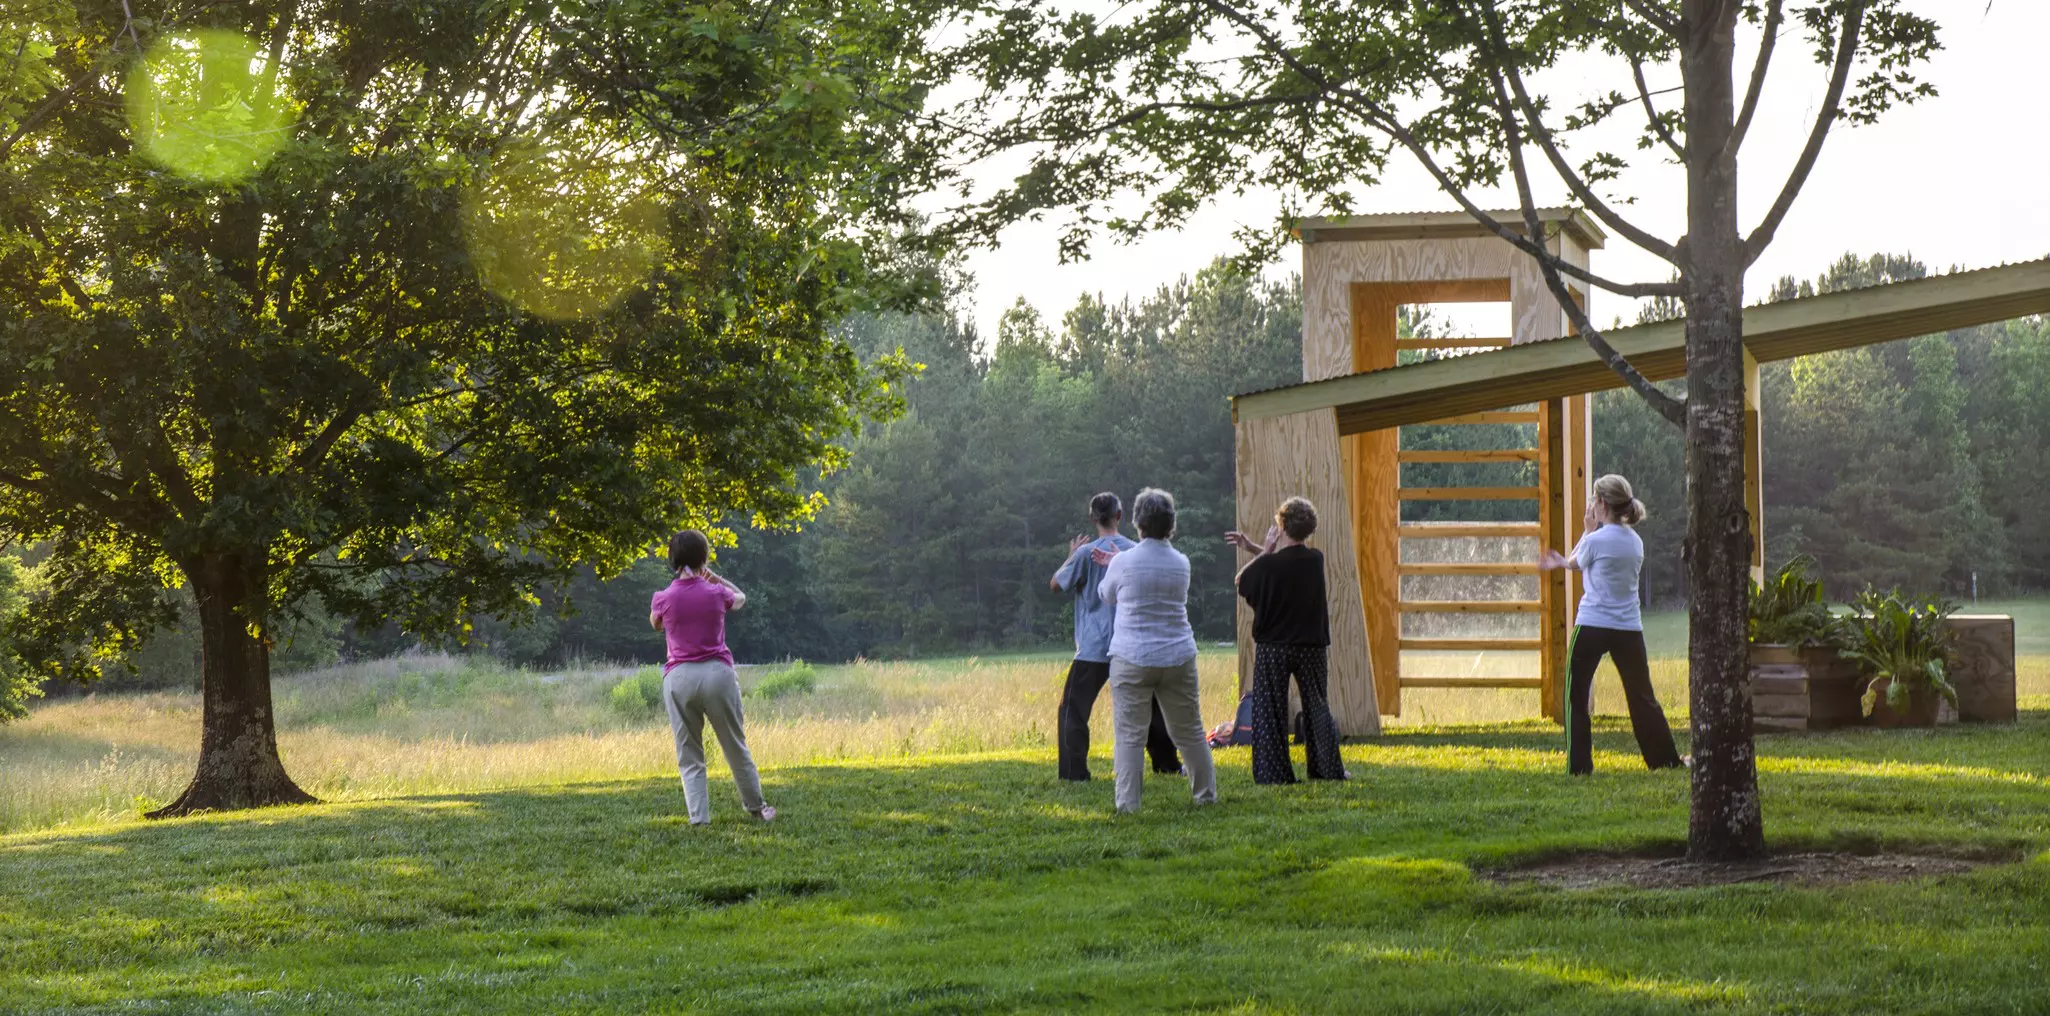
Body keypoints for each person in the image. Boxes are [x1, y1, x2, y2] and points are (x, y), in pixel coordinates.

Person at [1537, 474, 1684, 776]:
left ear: (1601, 503)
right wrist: (1589, 535)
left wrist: (1585, 532)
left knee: (1576, 695)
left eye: (1594, 499)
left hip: (1592, 625)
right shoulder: (1636, 542)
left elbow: (1572, 563)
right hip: (1629, 628)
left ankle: (1579, 767)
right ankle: (1665, 761)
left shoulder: (1595, 540)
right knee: (1642, 696)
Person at [1094, 488, 1218, 813]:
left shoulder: (1123, 561)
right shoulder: (1182, 563)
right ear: (1171, 524)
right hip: (1178, 656)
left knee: (1130, 735)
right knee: (1190, 729)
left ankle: (1128, 805)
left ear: (1138, 522)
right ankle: (1205, 796)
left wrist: (1113, 565)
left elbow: (1106, 594)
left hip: (1131, 658)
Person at [1051, 492, 1184, 781]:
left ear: (1092, 518)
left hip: (1092, 647)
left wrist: (1071, 556)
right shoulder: (1135, 551)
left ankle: (1074, 772)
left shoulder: (1085, 554)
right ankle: (1167, 764)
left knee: (1073, 710)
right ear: (1120, 516)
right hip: (1129, 644)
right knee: (1150, 707)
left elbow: (1055, 585)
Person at [648, 530, 776, 824]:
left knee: (689, 751)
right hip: (717, 673)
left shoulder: (663, 597)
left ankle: (699, 818)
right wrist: (714, 578)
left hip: (679, 677)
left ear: (673, 559)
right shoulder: (717, 593)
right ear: (704, 558)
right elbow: (741, 598)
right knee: (734, 744)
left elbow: (655, 624)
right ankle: (757, 809)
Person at [1226, 496, 1347, 784]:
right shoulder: (1315, 560)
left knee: (1270, 709)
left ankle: (1274, 773)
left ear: (1280, 527)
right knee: (1317, 705)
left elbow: (1243, 580)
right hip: (1311, 645)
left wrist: (1263, 550)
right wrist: (1258, 549)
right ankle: (1327, 770)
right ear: (1310, 528)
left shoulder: (1269, 562)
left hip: (1273, 647)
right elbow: (1281, 566)